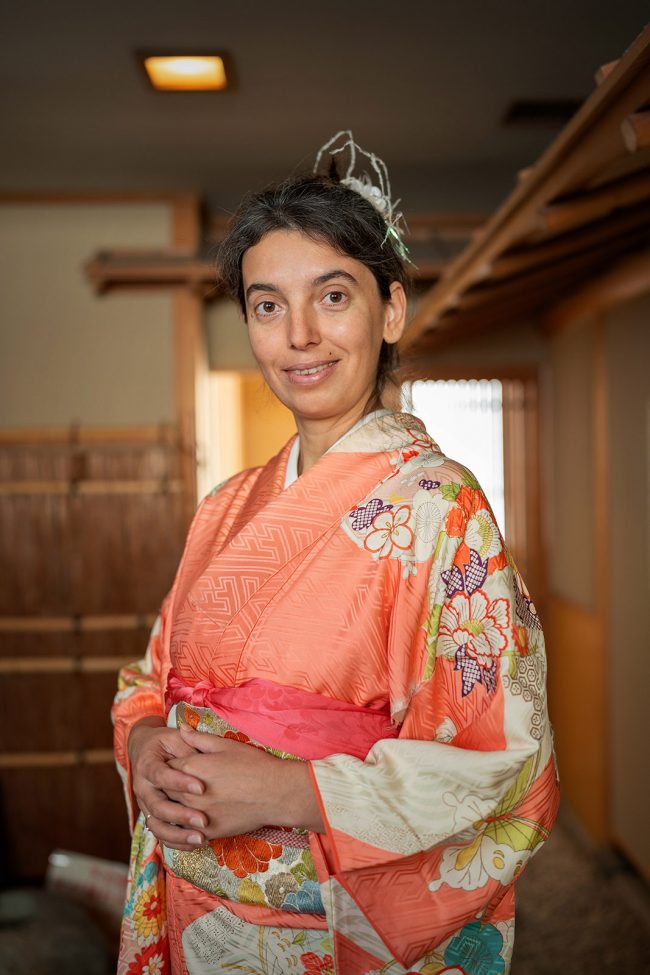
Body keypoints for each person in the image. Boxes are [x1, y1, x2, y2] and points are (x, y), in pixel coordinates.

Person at [112, 132, 559, 975]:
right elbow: (151, 678)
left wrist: (290, 790)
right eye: (267, 304)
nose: (301, 334)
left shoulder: (440, 504)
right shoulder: (226, 505)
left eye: (333, 295)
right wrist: (142, 749)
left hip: (325, 917)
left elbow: (501, 753)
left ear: (391, 310)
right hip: (196, 900)